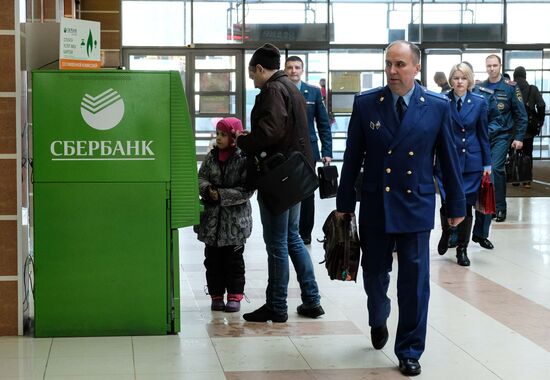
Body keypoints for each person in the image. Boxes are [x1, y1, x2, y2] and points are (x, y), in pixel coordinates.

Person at [336, 40, 465, 377]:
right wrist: (344, 204)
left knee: (414, 280)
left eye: (400, 65)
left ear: (416, 68)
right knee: (374, 274)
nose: (393, 71)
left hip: (416, 203)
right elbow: (352, 157)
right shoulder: (367, 105)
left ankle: (409, 349)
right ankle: (378, 317)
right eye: (389, 64)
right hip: (377, 203)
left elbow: (448, 160)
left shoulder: (436, 106)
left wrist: (456, 203)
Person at [236, 43, 324, 322]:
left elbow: (270, 131)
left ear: (260, 69)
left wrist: (244, 140)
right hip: (295, 175)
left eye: (252, 74)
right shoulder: (291, 87)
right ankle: (311, 300)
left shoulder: (273, 89)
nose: (253, 79)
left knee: (277, 243)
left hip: (278, 177)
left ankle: (276, 305)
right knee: (293, 238)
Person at [195, 117, 254, 313]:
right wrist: (207, 189)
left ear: (234, 137)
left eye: (223, 135)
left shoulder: (243, 159)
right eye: (217, 134)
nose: (219, 138)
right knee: (212, 262)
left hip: (234, 224)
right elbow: (200, 177)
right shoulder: (211, 157)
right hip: (212, 223)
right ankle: (216, 295)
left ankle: (235, 295)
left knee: (234, 262)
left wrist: (221, 195)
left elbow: (246, 190)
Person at [436, 63, 491, 266]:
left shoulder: (479, 102)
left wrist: (487, 164)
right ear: (451, 79)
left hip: (471, 162)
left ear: (470, 80)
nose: (460, 82)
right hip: (447, 160)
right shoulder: (441, 100)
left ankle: (462, 248)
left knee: (466, 206)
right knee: (446, 201)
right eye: (456, 78)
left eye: (464, 78)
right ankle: (447, 232)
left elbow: (483, 135)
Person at [471, 54, 526, 240]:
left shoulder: (510, 88)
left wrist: (519, 137)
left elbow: (521, 114)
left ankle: (499, 208)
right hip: (483, 136)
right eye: (489, 66)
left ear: (500, 66)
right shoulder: (479, 87)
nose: (492, 68)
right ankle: (488, 208)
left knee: (495, 169)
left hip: (502, 136)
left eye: (495, 65)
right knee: (483, 173)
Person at [284, 56, 333, 245]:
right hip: (286, 149)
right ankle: (289, 229)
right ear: (285, 69)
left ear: (302, 70)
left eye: (297, 67)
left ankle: (305, 233)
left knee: (307, 191)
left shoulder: (312, 92)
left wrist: (327, 151)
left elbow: (323, 124)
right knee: (287, 189)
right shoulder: (279, 90)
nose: (293, 71)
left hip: (308, 150)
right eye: (290, 67)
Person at [513, 66, 546, 188]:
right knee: (527, 153)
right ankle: (526, 181)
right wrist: (540, 120)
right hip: (528, 128)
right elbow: (541, 105)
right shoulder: (533, 89)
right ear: (525, 76)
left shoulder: (511, 88)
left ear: (514, 76)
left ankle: (515, 179)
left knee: (515, 152)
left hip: (513, 128)